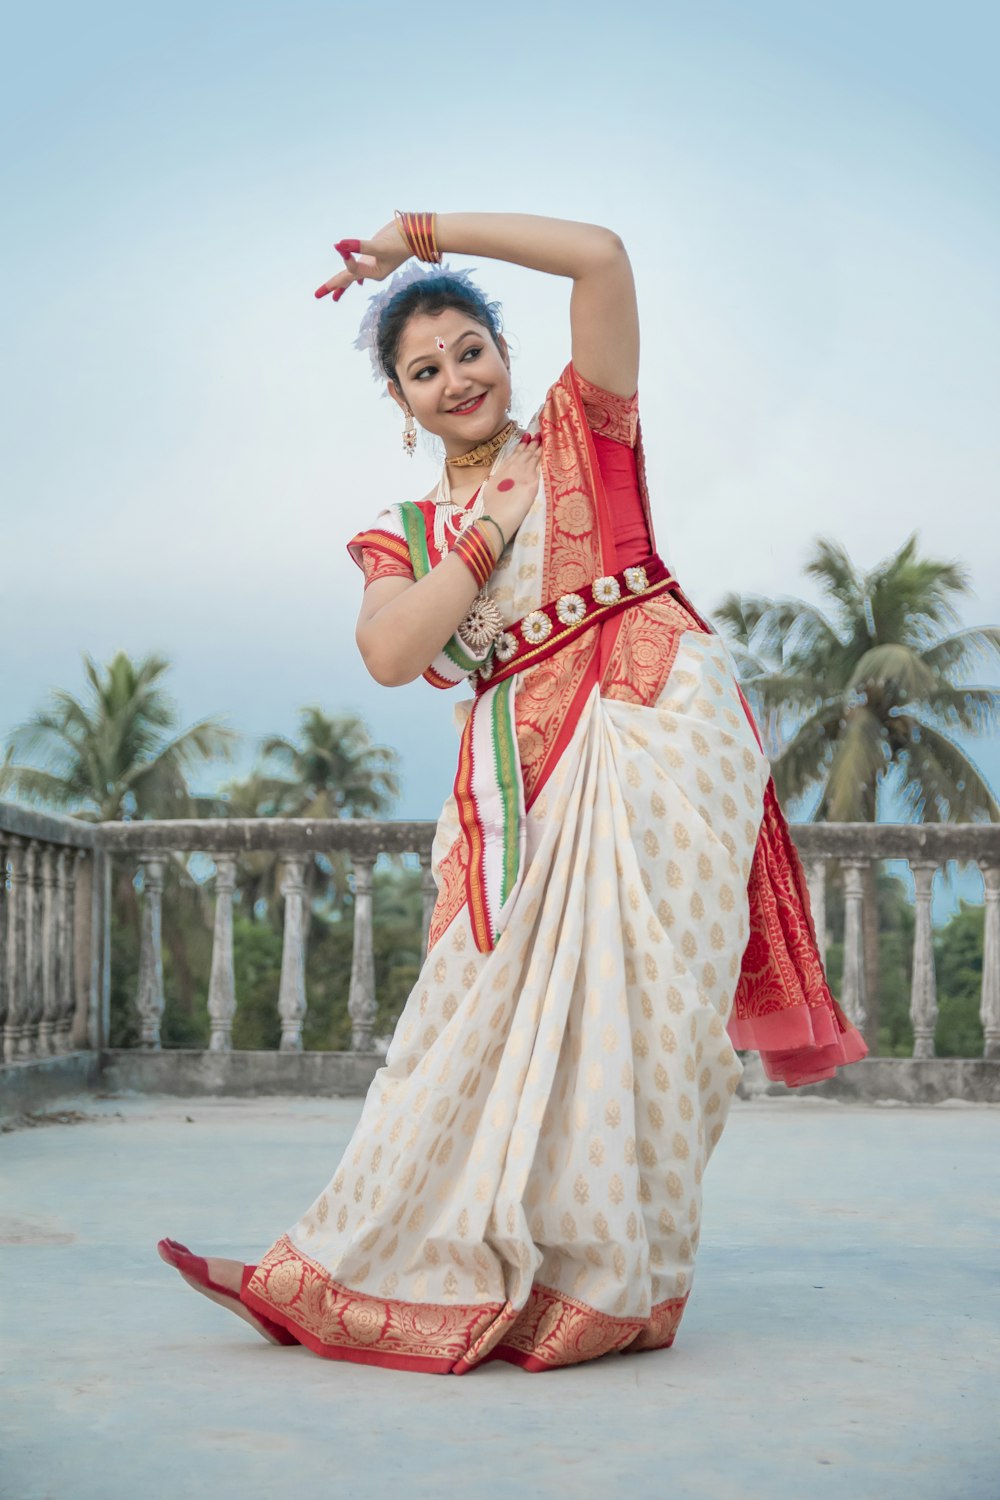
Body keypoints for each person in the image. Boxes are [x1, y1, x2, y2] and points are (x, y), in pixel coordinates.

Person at [158, 211, 867, 1373]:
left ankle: (612, 1286)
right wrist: (484, 535)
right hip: (516, 770)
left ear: (503, 348)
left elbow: (601, 256)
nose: (454, 378)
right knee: (458, 1021)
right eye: (423, 370)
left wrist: (419, 232)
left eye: (468, 349)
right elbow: (393, 653)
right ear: (401, 405)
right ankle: (341, 1264)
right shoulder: (407, 532)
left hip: (654, 726)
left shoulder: (584, 432)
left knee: (653, 1020)